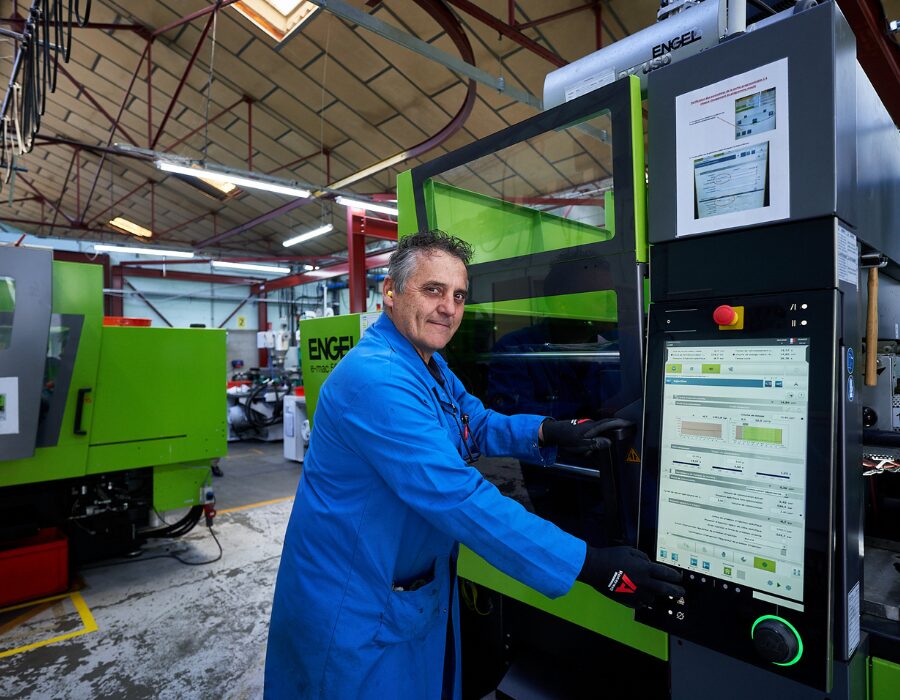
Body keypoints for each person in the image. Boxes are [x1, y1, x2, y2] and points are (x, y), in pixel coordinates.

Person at [264, 230, 682, 699]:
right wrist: (591, 564)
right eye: (433, 290)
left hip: (402, 584)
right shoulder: (375, 378)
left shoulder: (427, 362)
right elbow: (458, 496)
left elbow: (474, 421)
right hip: (353, 600)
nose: (449, 308)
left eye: (459, 295)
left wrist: (549, 431)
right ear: (390, 291)